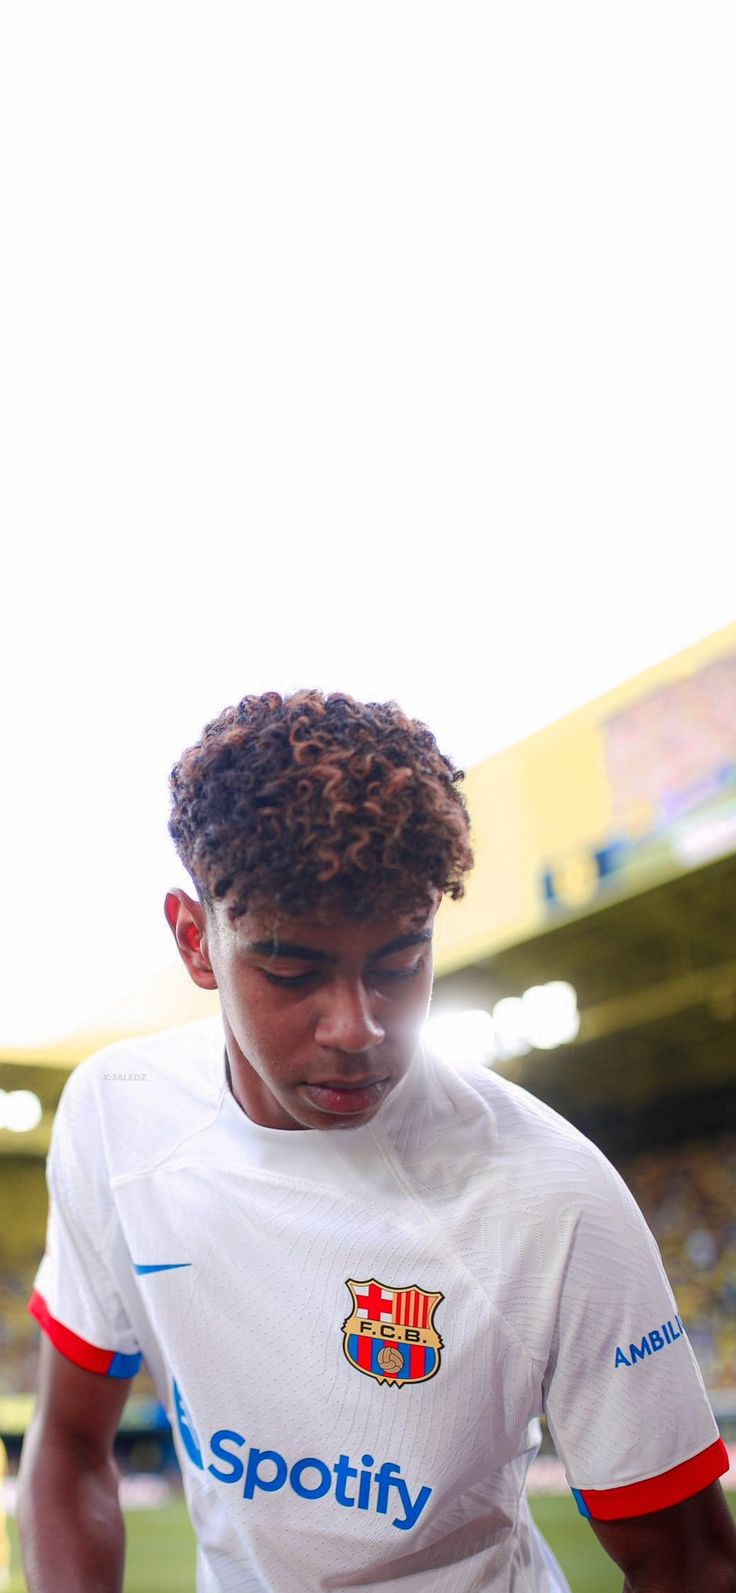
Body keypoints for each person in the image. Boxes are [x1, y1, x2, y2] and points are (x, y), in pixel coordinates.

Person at [16, 689, 736, 1593]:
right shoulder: (114, 1116)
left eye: (401, 961)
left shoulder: (555, 1197)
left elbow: (693, 1562)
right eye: (291, 966)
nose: (357, 1027)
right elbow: (71, 1446)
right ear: (197, 941)